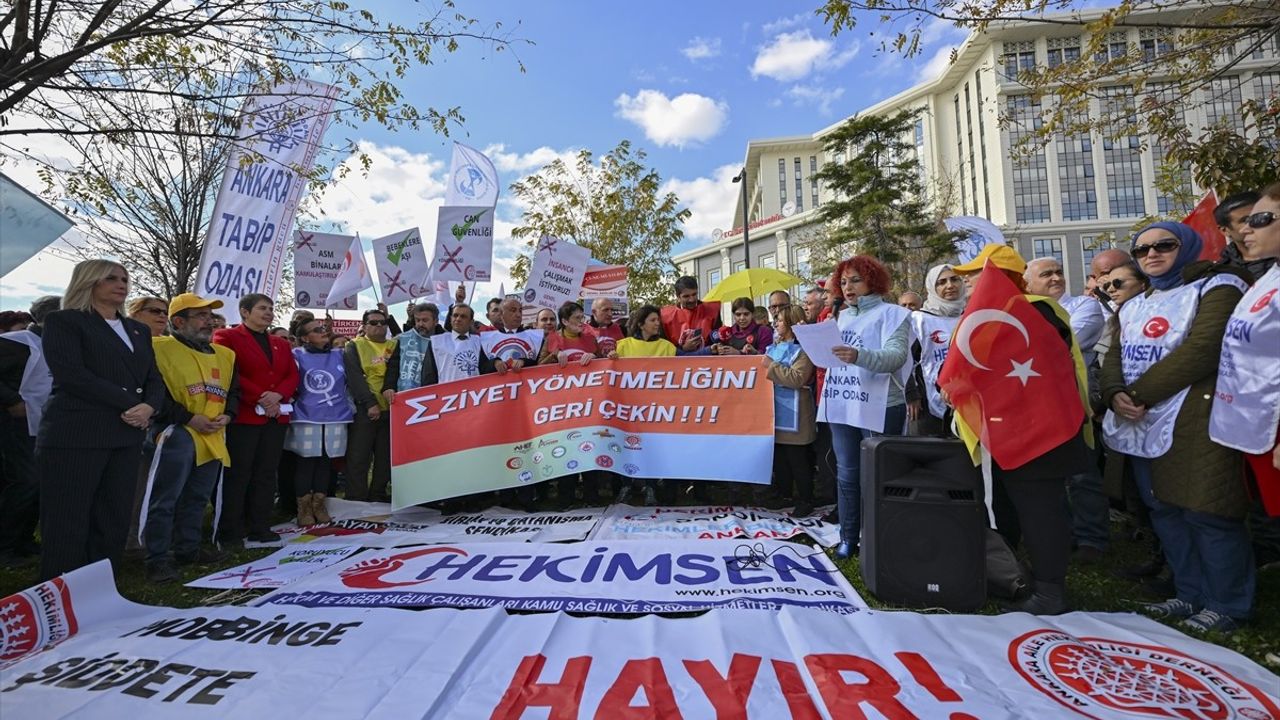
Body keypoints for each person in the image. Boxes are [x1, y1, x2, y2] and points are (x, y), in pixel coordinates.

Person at [1101, 221, 1253, 633]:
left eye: (1164, 245)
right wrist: (1115, 392)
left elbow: (1203, 348)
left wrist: (1141, 392)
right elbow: (1115, 353)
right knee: (1164, 510)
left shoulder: (1219, 287)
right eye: (1142, 250)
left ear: (1185, 246)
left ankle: (1226, 603)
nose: (1152, 254)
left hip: (1195, 417)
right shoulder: (1135, 303)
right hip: (1140, 420)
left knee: (1208, 512)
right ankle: (1188, 594)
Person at [949, 244, 1094, 615]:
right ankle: (1017, 575)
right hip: (1008, 430)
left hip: (1038, 431)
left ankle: (1050, 592)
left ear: (1002, 277)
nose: (967, 282)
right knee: (1013, 507)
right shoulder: (1005, 311)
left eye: (975, 274)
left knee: (1041, 512)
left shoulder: (1032, 309)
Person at [38, 260, 164, 580]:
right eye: (110, 278)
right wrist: (132, 404)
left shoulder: (137, 330)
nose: (121, 284)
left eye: (124, 278)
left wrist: (150, 406)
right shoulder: (65, 321)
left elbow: (154, 377)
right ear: (89, 282)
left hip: (126, 434)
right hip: (78, 433)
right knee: (69, 515)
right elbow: (73, 375)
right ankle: (63, 586)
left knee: (113, 514)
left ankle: (102, 584)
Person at [818, 255, 912, 559]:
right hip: (843, 401)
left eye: (855, 279)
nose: (848, 287)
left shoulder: (893, 314)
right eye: (843, 282)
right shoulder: (841, 318)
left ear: (873, 280)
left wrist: (857, 355)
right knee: (847, 472)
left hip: (882, 404)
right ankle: (848, 536)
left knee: (879, 474)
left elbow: (895, 357)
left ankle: (880, 538)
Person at [141, 294, 235, 582]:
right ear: (179, 321)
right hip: (177, 433)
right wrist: (187, 418)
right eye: (201, 316)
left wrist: (228, 414)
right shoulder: (158, 348)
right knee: (165, 497)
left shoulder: (225, 354)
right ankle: (157, 558)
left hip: (213, 434)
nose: (209, 321)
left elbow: (235, 392)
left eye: (210, 315)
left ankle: (188, 549)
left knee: (196, 497)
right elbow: (153, 391)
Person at [1210, 183, 1280, 570]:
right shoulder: (1264, 278)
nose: (1248, 230)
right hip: (1259, 422)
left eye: (1261, 219)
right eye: (1246, 222)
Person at [1024, 256, 1110, 562]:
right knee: (1050, 477)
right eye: (1046, 274)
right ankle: (1063, 534)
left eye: (1059, 272)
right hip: (1037, 408)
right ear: (1028, 284)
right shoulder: (1023, 312)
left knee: (1083, 475)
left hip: (1074, 404)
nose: (1056, 278)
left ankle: (1091, 539)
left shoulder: (1085, 307)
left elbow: (1058, 345)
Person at [213, 293, 300, 546]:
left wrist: (278, 395)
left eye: (271, 308)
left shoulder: (281, 343)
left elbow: (291, 375)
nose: (269, 312)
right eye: (263, 308)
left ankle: (260, 526)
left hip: (275, 417)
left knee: (265, 473)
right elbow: (232, 373)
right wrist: (261, 397)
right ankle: (231, 530)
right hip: (246, 415)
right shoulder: (227, 337)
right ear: (244, 311)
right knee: (239, 474)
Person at [0, 295, 59, 566]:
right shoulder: (15, 343)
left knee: (42, 484)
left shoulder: (58, 344)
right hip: (16, 424)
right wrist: (11, 400)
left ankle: (24, 540)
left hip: (48, 424)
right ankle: (6, 546)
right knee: (25, 481)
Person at [286, 315, 352, 526]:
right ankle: (303, 509)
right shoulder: (296, 354)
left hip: (335, 417)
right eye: (316, 330)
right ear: (305, 338)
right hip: (307, 417)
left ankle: (319, 505)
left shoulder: (339, 355)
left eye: (322, 327)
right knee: (307, 462)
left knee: (325, 460)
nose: (323, 331)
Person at [540, 302, 604, 507]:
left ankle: (592, 496)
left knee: (589, 446)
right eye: (576, 318)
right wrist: (554, 356)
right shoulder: (553, 339)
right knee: (566, 447)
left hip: (588, 403)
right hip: (563, 405)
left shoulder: (590, 339)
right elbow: (539, 368)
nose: (581, 322)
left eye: (581, 317)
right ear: (565, 321)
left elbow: (605, 363)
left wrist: (595, 357)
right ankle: (565, 496)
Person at [613, 305, 676, 505]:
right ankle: (627, 485)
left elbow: (685, 365)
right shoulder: (622, 346)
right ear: (641, 324)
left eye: (658, 320)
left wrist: (710, 350)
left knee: (650, 447)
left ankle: (650, 486)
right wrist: (610, 360)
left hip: (656, 408)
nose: (658, 324)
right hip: (628, 408)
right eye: (653, 320)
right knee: (627, 445)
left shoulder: (667, 347)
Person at [761, 305, 817, 515]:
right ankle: (785, 495)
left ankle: (805, 499)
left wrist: (771, 366)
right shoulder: (773, 347)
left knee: (798, 460)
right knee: (781, 459)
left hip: (796, 414)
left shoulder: (804, 350)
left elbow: (798, 378)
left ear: (792, 324)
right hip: (774, 411)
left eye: (780, 320)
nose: (775, 323)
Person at [343, 308, 396, 503]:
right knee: (359, 457)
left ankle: (378, 494)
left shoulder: (395, 344)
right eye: (373, 323)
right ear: (364, 326)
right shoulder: (353, 346)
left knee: (384, 458)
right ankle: (356, 496)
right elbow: (355, 377)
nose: (379, 326)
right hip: (365, 410)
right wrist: (370, 403)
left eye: (383, 322)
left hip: (391, 410)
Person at [907, 264, 966, 437]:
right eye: (941, 282)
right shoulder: (919, 319)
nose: (950, 285)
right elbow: (906, 360)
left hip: (966, 401)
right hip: (927, 402)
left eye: (955, 279)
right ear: (932, 287)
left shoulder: (970, 315)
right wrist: (912, 395)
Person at [384, 302, 442, 400]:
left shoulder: (444, 341)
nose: (420, 324)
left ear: (435, 321)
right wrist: (388, 387)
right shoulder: (403, 339)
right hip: (404, 395)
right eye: (417, 320)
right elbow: (393, 366)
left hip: (434, 397)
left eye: (425, 320)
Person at [1216, 190, 1275, 280]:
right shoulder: (1222, 276)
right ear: (1225, 230)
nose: (1256, 222)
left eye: (1260, 215)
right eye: (1245, 220)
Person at [661, 276, 721, 355]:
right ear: (678, 297)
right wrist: (682, 348)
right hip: (678, 363)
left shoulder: (712, 311)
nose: (692, 299)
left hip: (707, 362)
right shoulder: (666, 316)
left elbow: (718, 339)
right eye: (686, 296)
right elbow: (663, 348)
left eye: (694, 294)